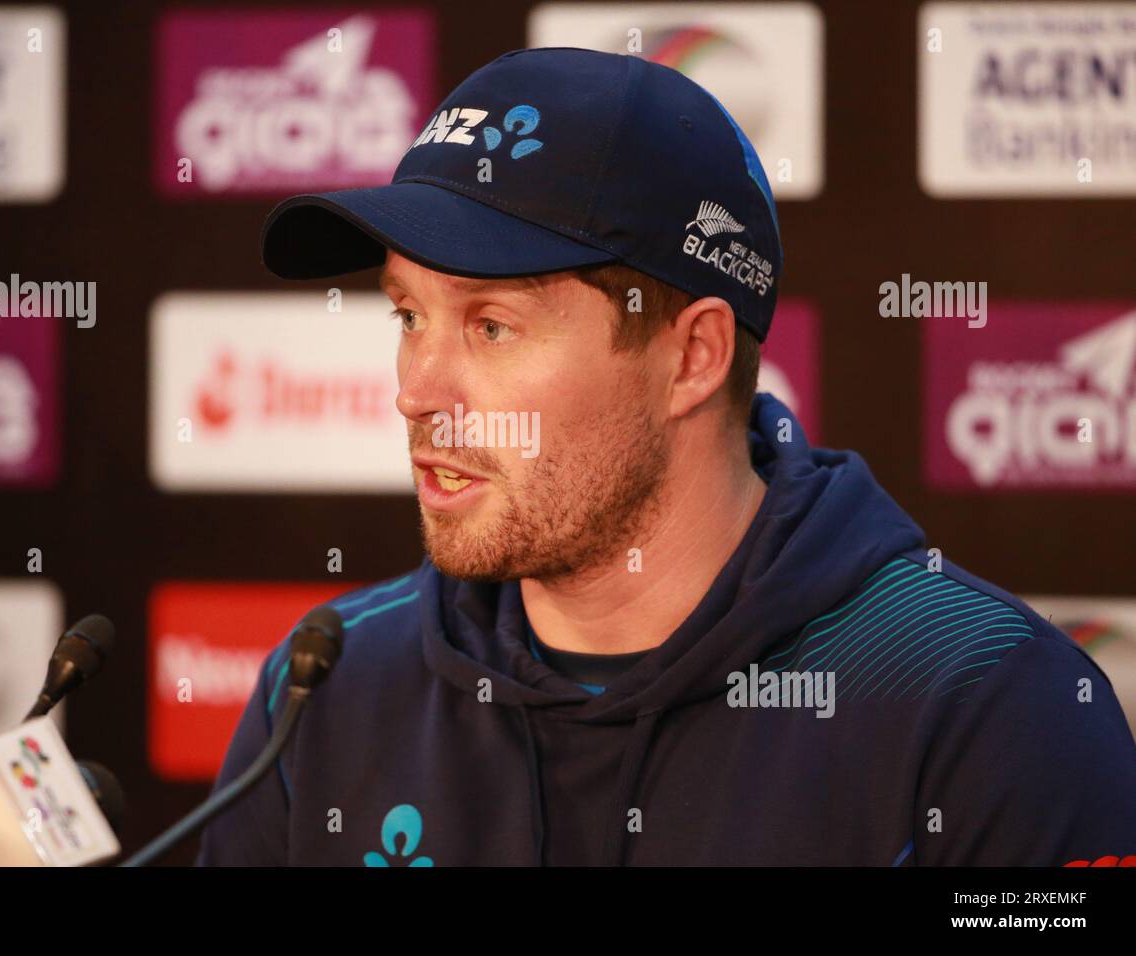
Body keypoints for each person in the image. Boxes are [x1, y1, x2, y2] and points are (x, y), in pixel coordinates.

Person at [197, 47, 1136, 866]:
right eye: (408, 316)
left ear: (692, 356)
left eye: (492, 327)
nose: (417, 390)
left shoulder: (990, 705)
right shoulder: (326, 688)